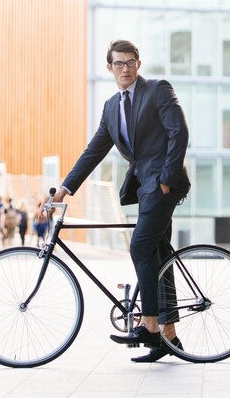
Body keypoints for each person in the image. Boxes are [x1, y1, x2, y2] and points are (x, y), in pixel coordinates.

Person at [48, 39, 190, 363]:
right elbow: (94, 151)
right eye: (118, 63)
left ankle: (149, 325)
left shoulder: (157, 90)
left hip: (165, 185)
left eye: (130, 62)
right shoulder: (112, 107)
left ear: (138, 64)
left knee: (139, 246)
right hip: (145, 188)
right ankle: (168, 337)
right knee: (157, 253)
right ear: (109, 67)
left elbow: (178, 133)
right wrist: (65, 188)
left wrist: (167, 180)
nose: (124, 68)